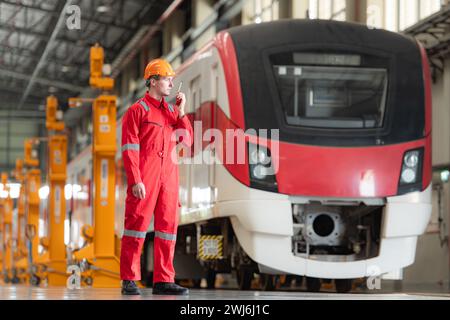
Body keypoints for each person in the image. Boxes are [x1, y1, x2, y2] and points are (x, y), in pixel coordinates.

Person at [120, 58, 193, 295]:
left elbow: (188, 141)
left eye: (172, 79)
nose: (171, 83)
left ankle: (164, 279)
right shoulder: (137, 111)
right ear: (153, 81)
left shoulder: (173, 112)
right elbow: (130, 148)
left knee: (167, 228)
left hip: (169, 177)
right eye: (167, 79)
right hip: (146, 175)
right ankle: (129, 278)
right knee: (136, 226)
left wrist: (182, 113)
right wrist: (135, 180)